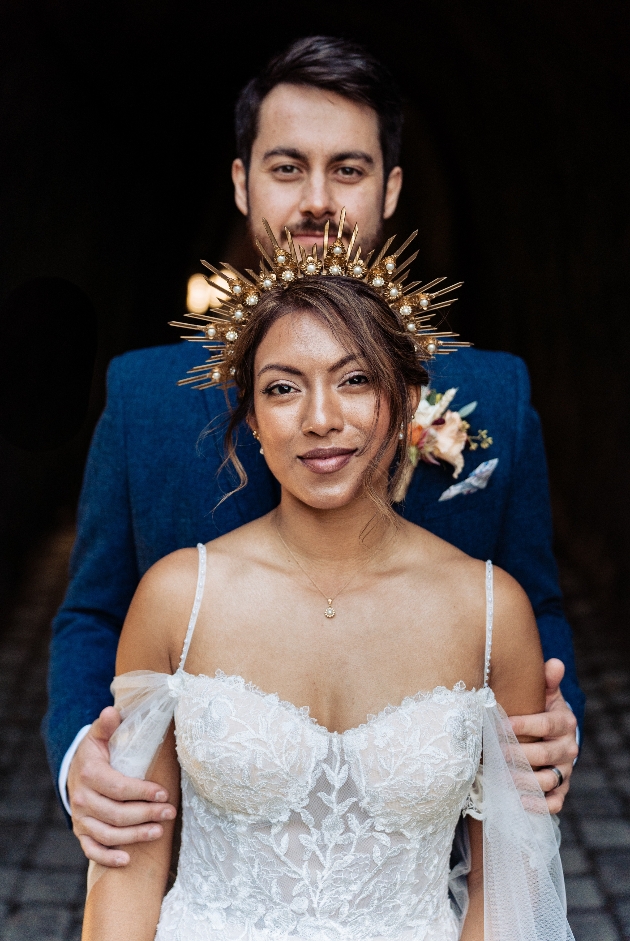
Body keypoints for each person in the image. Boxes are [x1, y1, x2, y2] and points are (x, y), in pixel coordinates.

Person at [44, 36, 581, 870]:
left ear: (391, 188)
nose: (317, 201)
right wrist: (85, 749)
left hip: (422, 858)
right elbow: (92, 612)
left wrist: (555, 713)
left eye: (349, 170)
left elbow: (534, 602)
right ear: (242, 183)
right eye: (288, 168)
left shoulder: (496, 395)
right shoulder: (143, 395)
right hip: (200, 857)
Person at [81, 246, 574, 940]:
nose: (320, 417)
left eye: (355, 380)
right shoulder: (175, 599)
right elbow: (127, 867)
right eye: (283, 388)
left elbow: (507, 887)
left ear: (405, 401)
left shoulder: (491, 611)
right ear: (253, 416)